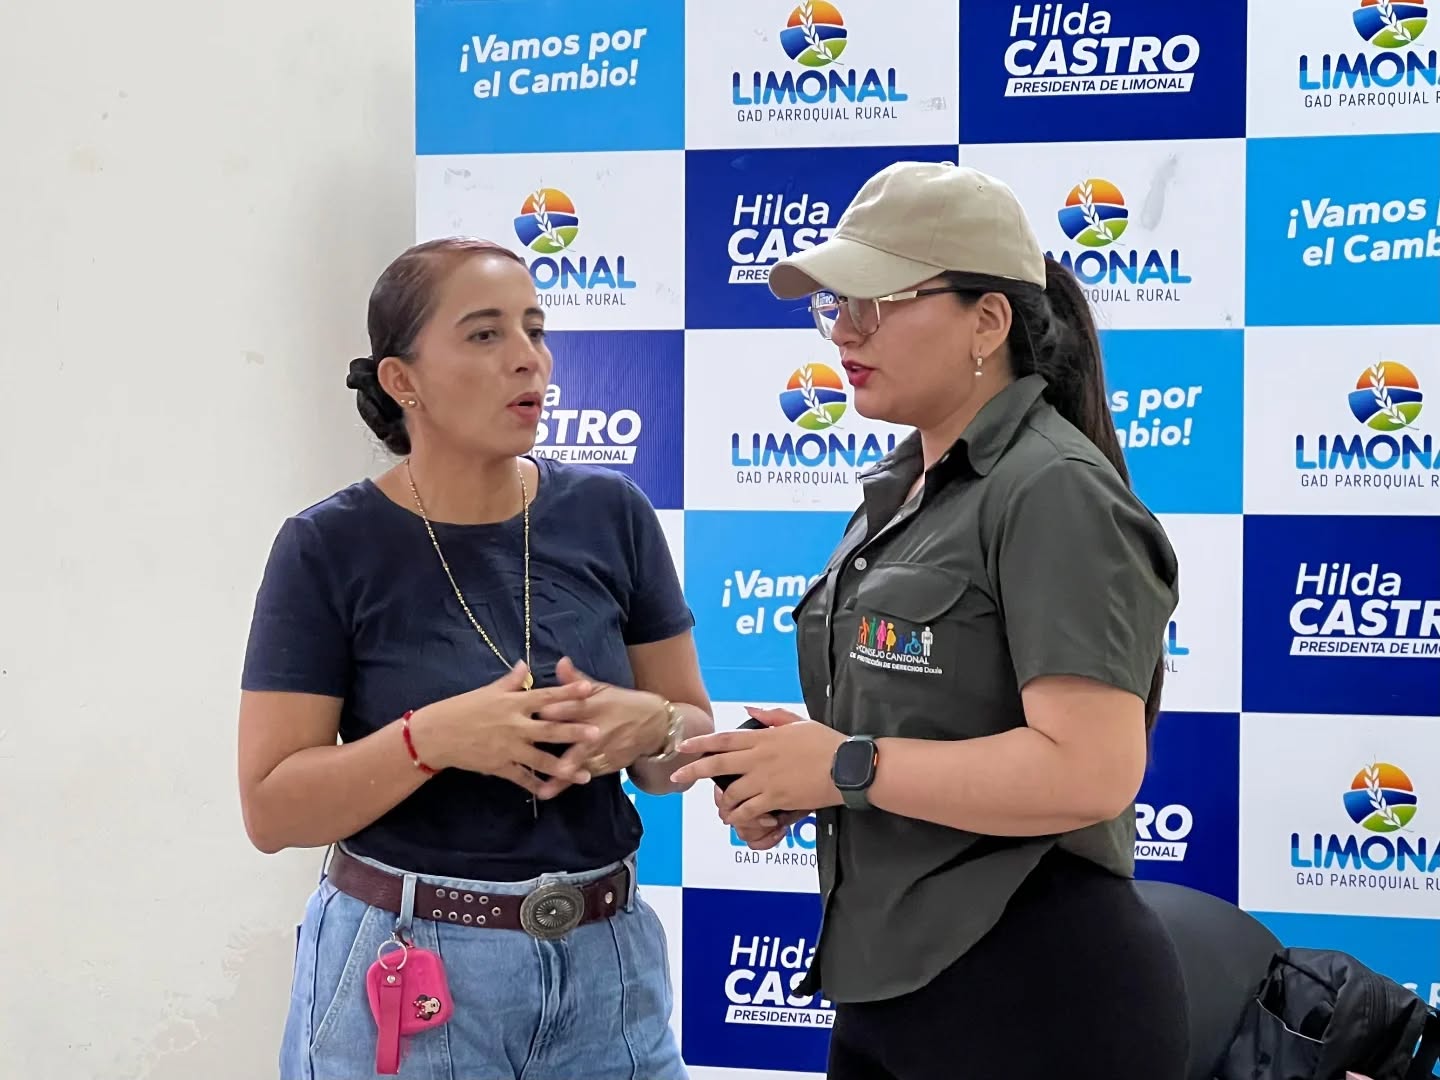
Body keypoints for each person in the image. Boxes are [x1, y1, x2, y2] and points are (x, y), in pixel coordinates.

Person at [670, 162, 1188, 1079]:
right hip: (896, 985)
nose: (846, 330)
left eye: (877, 302)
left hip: (1032, 993)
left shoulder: (1051, 489)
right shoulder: (914, 489)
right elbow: (926, 733)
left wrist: (844, 765)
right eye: (837, 304)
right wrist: (795, 770)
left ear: (987, 321)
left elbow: (1092, 771)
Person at [238, 236, 710, 1080]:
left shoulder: (613, 512)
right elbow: (273, 811)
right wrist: (431, 740)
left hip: (608, 972)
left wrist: (654, 726)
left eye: (535, 329)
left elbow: (685, 744)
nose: (529, 359)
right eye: (486, 334)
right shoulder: (327, 546)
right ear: (403, 380)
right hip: (410, 971)